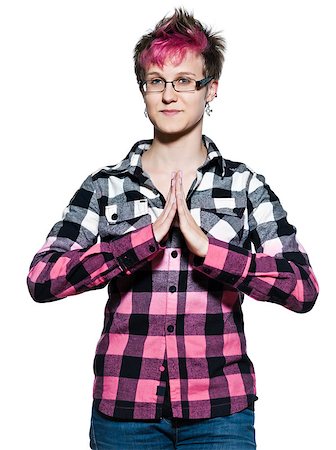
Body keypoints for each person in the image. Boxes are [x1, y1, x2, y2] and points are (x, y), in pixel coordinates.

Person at [27, 7, 319, 450]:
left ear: (211, 90)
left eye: (184, 80)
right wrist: (140, 243)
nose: (169, 94)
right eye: (156, 81)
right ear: (142, 91)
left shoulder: (245, 185)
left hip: (221, 413)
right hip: (125, 412)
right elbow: (41, 278)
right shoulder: (106, 186)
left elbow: (303, 288)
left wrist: (209, 251)